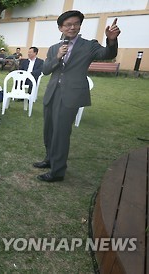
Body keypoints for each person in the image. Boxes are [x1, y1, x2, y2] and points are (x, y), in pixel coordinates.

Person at [33, 10, 120, 182]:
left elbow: (108, 54)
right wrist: (57, 57)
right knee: (49, 130)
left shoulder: (89, 46)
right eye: (68, 25)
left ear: (79, 25)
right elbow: (45, 70)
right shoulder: (53, 48)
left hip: (71, 95)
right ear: (60, 28)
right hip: (52, 93)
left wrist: (111, 40)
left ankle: (57, 172)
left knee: (61, 132)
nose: (72, 27)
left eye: (75, 24)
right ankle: (49, 159)